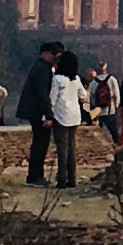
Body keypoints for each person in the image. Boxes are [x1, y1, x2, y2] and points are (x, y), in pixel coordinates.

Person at [16, 42, 62, 187]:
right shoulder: (42, 69)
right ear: (45, 53)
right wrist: (48, 114)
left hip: (34, 110)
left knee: (39, 144)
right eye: (54, 55)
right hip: (38, 111)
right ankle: (35, 177)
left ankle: (35, 175)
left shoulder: (40, 67)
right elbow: (42, 94)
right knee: (40, 145)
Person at [49, 49, 84, 189]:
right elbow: (83, 95)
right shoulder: (76, 79)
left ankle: (62, 179)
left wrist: (48, 115)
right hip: (75, 116)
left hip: (61, 116)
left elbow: (52, 99)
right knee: (72, 148)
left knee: (62, 149)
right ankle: (72, 178)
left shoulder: (57, 79)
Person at [90, 61, 121, 144]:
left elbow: (92, 97)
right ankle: (118, 147)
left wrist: (94, 108)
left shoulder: (93, 82)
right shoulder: (112, 79)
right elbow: (116, 94)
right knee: (114, 132)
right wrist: (116, 106)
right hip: (110, 110)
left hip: (98, 112)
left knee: (97, 134)